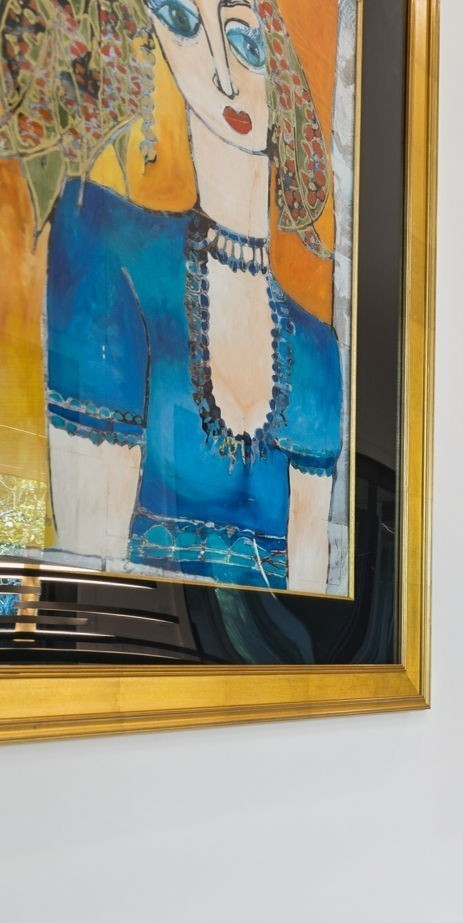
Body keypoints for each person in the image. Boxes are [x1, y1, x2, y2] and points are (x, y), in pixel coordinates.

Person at [5, 0, 342, 592]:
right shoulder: (102, 243)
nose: (223, 74)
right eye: (185, 25)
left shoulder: (318, 351)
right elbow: (93, 580)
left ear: (282, 75)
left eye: (246, 44)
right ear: (153, 43)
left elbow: (310, 595)